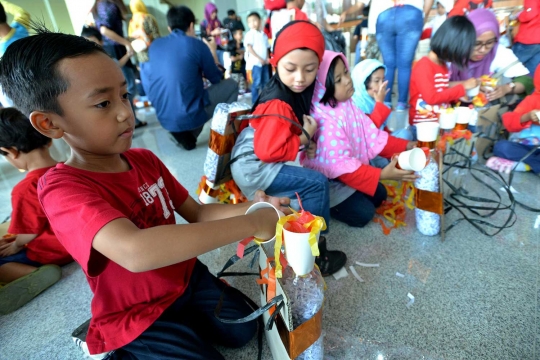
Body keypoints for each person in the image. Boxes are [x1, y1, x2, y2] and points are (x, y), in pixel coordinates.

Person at [0, 26, 291, 359]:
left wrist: (258, 208)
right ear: (50, 124)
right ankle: (119, 349)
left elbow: (197, 213)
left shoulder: (144, 160)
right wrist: (252, 225)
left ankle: (183, 326)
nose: (125, 112)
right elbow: (136, 252)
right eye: (103, 103)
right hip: (136, 312)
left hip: (184, 277)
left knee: (245, 328)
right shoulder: (61, 189)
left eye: (124, 95)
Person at [231, 21, 346, 277]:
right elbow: (268, 152)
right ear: (275, 63)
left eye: (310, 69)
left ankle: (298, 233)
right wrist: (305, 139)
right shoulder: (279, 103)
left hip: (250, 162)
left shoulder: (283, 91)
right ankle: (315, 254)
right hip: (254, 166)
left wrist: (306, 139)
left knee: (309, 183)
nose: (300, 78)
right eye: (291, 68)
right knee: (317, 184)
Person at [301, 51, 417, 227]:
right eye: (338, 80)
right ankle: (327, 206)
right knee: (364, 214)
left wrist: (407, 145)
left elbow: (373, 137)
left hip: (348, 173)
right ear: (323, 88)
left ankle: (355, 193)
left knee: (380, 195)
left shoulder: (347, 106)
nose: (347, 80)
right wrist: (382, 174)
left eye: (346, 72)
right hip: (330, 183)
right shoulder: (326, 120)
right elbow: (343, 168)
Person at [0, 108, 73, 315]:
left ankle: (35, 274)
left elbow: (28, 232)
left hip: (50, 254)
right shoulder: (69, 170)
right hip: (76, 245)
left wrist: (16, 245)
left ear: (12, 152)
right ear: (48, 140)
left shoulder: (25, 189)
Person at [143, 6, 238, 151]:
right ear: (192, 25)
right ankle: (220, 133)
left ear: (169, 28)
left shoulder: (155, 45)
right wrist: (212, 51)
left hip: (162, 117)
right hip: (187, 114)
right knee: (232, 85)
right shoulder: (196, 44)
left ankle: (182, 133)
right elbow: (216, 78)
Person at [340, 0, 434, 111]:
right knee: (404, 65)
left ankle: (386, 103)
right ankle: (401, 104)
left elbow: (360, 3)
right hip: (411, 13)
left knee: (388, 64)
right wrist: (424, 15)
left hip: (384, 15)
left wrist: (346, 12)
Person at [410, 16, 479, 132]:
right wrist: (462, 88)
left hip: (440, 122)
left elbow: (441, 88)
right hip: (424, 127)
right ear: (451, 45)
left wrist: (461, 93)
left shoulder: (442, 65)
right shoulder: (424, 66)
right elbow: (431, 98)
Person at [450, 9, 533, 104]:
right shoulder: (450, 52)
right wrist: (463, 85)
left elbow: (526, 80)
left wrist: (506, 88)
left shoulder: (498, 51)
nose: (483, 50)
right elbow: (432, 87)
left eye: (489, 43)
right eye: (476, 44)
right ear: (466, 38)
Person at [92, 0, 147, 128]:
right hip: (115, 48)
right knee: (128, 87)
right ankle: (129, 121)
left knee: (125, 87)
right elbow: (105, 30)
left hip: (113, 48)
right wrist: (126, 43)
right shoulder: (107, 5)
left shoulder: (100, 5)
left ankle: (131, 120)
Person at [487, 64, 540, 174]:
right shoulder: (533, 100)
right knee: (501, 147)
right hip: (527, 147)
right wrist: (527, 116)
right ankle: (531, 165)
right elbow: (509, 122)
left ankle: (527, 165)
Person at [352, 59, 391, 128]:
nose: (382, 85)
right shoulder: (357, 106)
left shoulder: (371, 100)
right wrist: (380, 103)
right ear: (363, 83)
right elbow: (372, 130)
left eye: (383, 80)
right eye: (376, 81)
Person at [245, 12, 269, 104]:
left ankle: (265, 101)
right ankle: (255, 102)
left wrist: (266, 58)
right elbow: (249, 48)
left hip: (264, 63)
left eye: (254, 20)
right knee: (257, 83)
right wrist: (260, 59)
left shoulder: (263, 35)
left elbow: (266, 48)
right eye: (250, 22)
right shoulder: (250, 34)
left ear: (260, 21)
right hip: (256, 64)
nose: (253, 23)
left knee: (266, 83)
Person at [511, 0, 540, 75]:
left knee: (510, 66)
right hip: (537, 40)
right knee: (534, 70)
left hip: (528, 38)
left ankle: (509, 85)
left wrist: (518, 14)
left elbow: (530, 13)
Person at [227, 27, 247, 93]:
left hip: (241, 69)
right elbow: (232, 58)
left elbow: (245, 51)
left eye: (242, 33)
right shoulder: (232, 46)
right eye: (240, 34)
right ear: (234, 36)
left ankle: (242, 92)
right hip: (234, 70)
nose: (242, 35)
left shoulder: (242, 44)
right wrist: (239, 57)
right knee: (235, 84)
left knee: (242, 83)